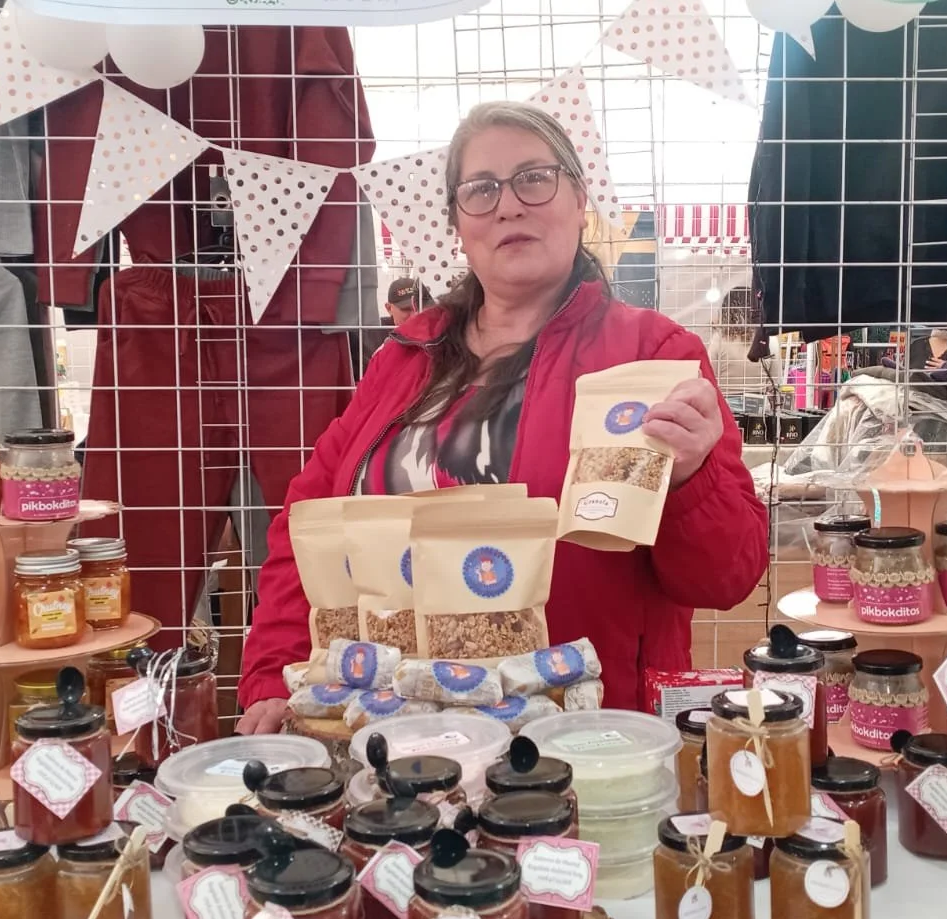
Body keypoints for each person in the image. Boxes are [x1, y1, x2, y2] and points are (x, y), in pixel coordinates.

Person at [238, 102, 768, 728]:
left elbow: (724, 579)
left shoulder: (652, 354)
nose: (509, 205)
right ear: (458, 226)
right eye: (481, 190)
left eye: (534, 178)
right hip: (398, 731)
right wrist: (274, 673)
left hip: (578, 733)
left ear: (579, 200)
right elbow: (306, 524)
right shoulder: (404, 359)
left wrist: (689, 477)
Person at [706, 286, 779, 400]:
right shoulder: (768, 339)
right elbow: (775, 383)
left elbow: (710, 378)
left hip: (726, 406)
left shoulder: (718, 339)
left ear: (726, 310)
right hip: (760, 408)